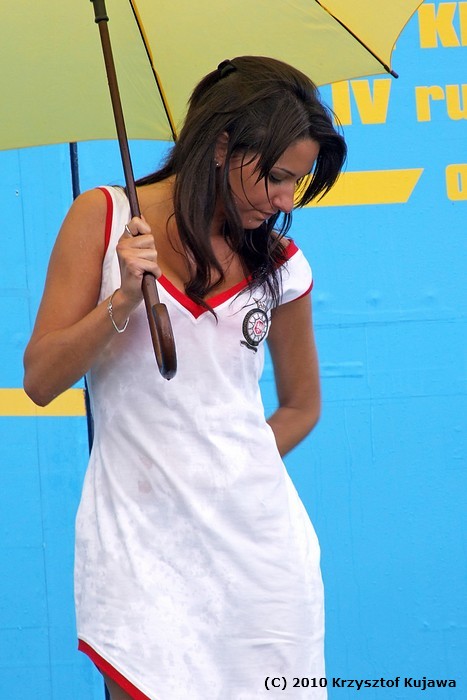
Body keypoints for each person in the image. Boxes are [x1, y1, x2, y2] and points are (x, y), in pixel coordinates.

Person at [24, 56, 346, 700]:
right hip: (140, 547)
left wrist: (228, 467)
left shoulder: (281, 262)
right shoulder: (105, 219)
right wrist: (122, 300)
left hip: (261, 555)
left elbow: (302, 407)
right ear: (223, 146)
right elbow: (41, 378)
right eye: (277, 177)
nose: (286, 201)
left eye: (298, 181)